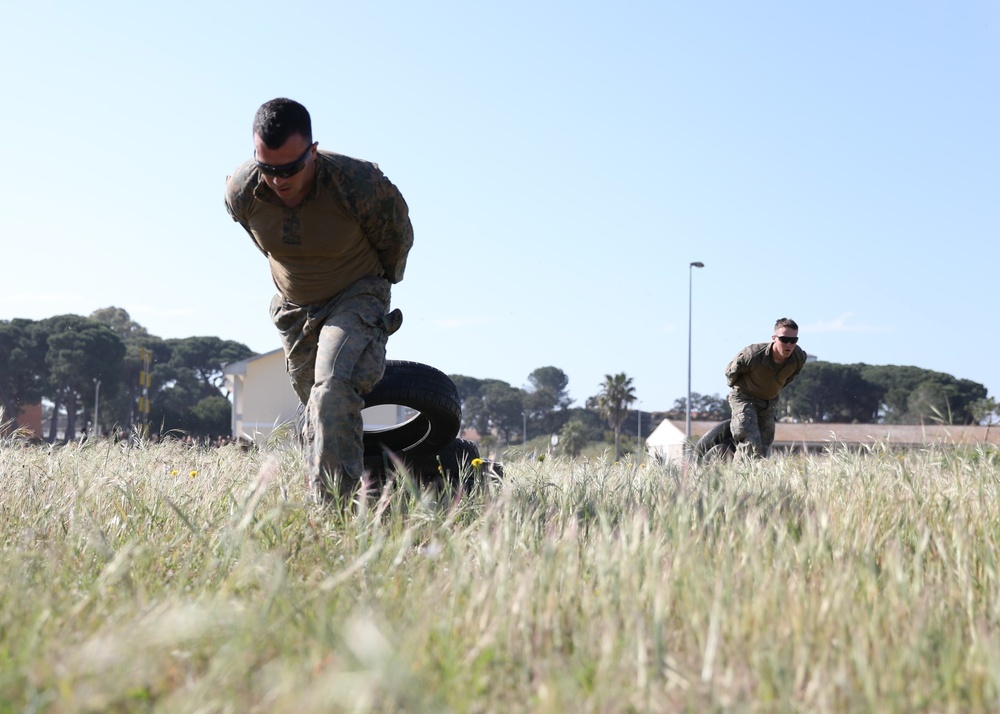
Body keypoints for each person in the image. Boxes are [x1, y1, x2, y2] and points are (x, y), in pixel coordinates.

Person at [224, 98, 413, 505]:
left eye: (290, 168)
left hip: (356, 293)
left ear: (313, 151)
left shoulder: (357, 183)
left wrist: (377, 291)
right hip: (295, 308)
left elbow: (397, 237)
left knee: (332, 388)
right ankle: (371, 481)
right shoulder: (241, 192)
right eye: (268, 169)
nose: (278, 179)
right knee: (315, 407)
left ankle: (333, 515)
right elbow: (263, 242)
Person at [724, 317, 807, 458]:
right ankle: (739, 475)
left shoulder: (798, 357)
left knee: (763, 446)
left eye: (793, 341)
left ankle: (754, 477)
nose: (789, 344)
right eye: (784, 339)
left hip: (768, 402)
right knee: (750, 440)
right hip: (744, 398)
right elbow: (731, 372)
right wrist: (742, 388)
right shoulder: (754, 354)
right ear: (774, 338)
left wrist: (772, 389)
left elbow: (790, 377)